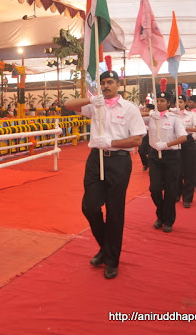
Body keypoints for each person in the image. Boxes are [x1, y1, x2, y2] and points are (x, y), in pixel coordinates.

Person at [64, 69, 146, 279]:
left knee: (115, 211)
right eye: (103, 82)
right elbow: (68, 105)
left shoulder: (130, 109)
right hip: (95, 160)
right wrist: (92, 99)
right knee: (89, 207)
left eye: (110, 82)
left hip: (118, 161)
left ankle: (111, 259)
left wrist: (111, 142)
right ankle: (106, 247)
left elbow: (137, 139)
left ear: (118, 84)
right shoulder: (95, 106)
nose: (106, 85)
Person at [144, 90, 187, 233]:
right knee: (154, 189)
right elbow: (134, 117)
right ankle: (161, 214)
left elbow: (183, 137)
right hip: (155, 156)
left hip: (171, 156)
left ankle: (167, 220)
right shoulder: (152, 117)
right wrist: (149, 114)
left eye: (162, 101)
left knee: (170, 190)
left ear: (169, 103)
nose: (159, 103)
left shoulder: (175, 118)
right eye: (157, 101)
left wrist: (167, 144)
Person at [174, 94, 196, 207]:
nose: (178, 104)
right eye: (177, 102)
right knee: (176, 171)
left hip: (188, 142)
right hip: (175, 143)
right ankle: (176, 194)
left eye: (181, 101)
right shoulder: (171, 115)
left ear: (185, 103)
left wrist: (184, 128)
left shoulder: (191, 115)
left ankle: (187, 198)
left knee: (189, 171)